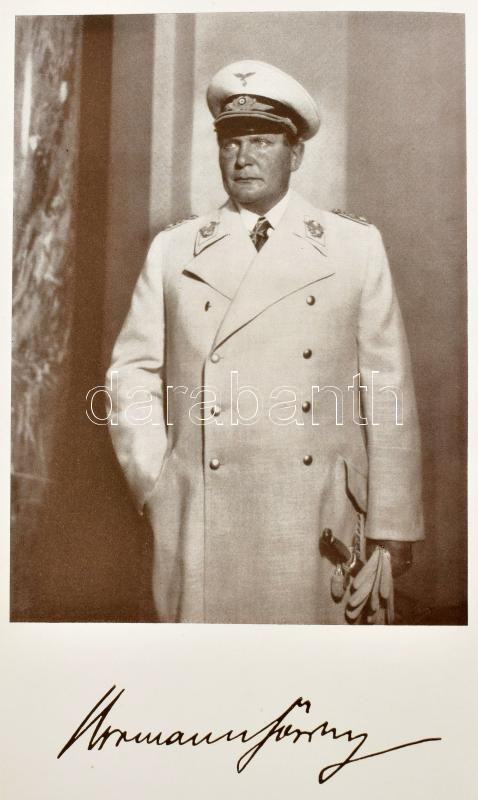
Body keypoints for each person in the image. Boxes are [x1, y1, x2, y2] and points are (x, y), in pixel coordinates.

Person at [106, 59, 424, 624]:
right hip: (202, 510)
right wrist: (156, 478)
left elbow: (387, 388)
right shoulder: (174, 249)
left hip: (315, 514)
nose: (243, 157)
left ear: (295, 154)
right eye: (231, 142)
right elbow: (131, 371)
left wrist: (394, 521)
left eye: (261, 141)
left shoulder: (354, 246)